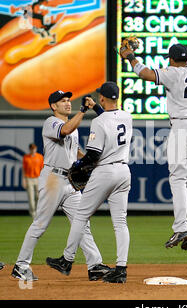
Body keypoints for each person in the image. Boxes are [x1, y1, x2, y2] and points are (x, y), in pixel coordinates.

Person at [120, 14, 187, 251]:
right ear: (186, 58)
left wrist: (129, 56)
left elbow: (145, 73)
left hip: (183, 128)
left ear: (171, 59)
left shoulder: (173, 72)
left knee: (178, 179)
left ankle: (181, 227)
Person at [11, 90, 111, 282]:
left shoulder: (72, 126)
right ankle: (21, 265)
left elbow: (77, 152)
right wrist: (82, 111)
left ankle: (95, 265)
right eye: (62, 101)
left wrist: (94, 160)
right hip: (53, 179)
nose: (67, 103)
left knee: (82, 223)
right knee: (40, 224)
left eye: (68, 100)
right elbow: (64, 130)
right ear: (53, 106)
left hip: (70, 182)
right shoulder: (51, 122)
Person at [46, 81, 132, 283]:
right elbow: (109, 118)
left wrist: (79, 165)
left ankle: (66, 260)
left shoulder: (99, 123)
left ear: (102, 97)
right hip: (124, 171)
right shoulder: (127, 117)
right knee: (120, 222)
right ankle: (121, 269)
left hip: (105, 171)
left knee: (81, 216)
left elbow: (93, 154)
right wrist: (97, 108)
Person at [22, 143, 44, 219]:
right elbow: (24, 169)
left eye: (34, 148)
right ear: (30, 149)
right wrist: (24, 180)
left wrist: (43, 179)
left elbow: (42, 169)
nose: (33, 150)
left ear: (36, 149)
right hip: (29, 179)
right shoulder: (26, 157)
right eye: (32, 148)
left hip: (38, 178)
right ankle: (33, 214)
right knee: (31, 198)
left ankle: (38, 212)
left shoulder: (40, 157)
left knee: (38, 196)